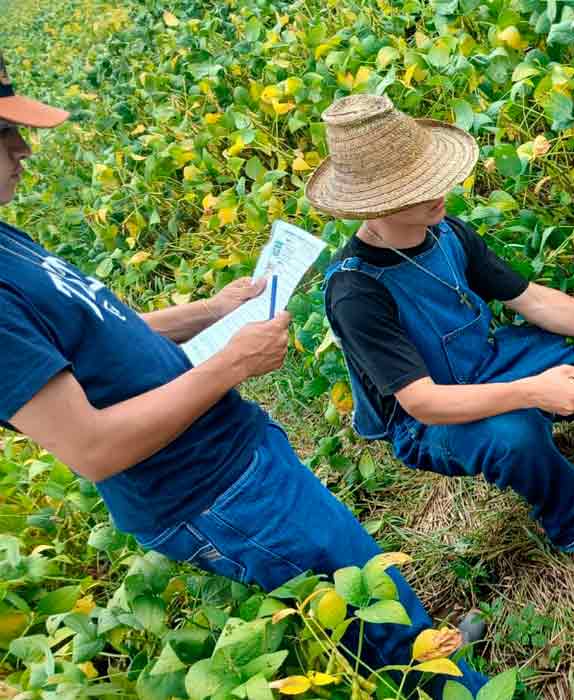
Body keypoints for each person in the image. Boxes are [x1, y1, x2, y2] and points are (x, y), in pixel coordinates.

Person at [0, 53, 487, 696]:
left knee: (363, 573)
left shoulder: (6, 239)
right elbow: (92, 448)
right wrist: (232, 363)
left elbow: (98, 333)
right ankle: (453, 683)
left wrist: (212, 310)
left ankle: (435, 651)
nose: (24, 150)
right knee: (359, 597)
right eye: (6, 135)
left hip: (232, 457)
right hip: (209, 493)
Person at [307, 95, 574, 563]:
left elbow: (533, 300)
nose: (439, 191)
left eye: (432, 176)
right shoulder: (356, 291)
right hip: (427, 419)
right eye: (416, 187)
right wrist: (532, 392)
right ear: (375, 203)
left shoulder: (449, 232)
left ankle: (552, 401)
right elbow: (422, 402)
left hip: (490, 361)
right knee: (516, 436)